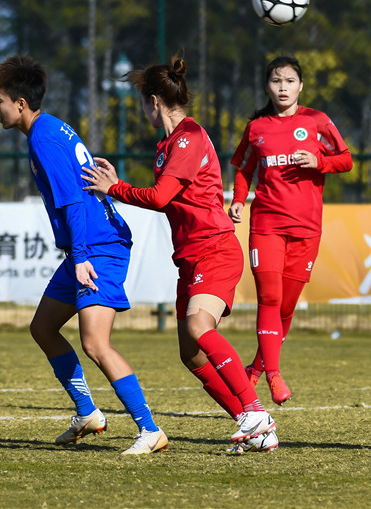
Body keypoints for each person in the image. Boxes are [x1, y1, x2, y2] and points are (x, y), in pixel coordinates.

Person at [81, 51, 278, 453]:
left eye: (143, 103)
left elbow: (159, 197)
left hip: (215, 250)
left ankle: (255, 410)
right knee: (191, 355)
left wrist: (114, 187)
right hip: (190, 258)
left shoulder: (187, 137)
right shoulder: (168, 144)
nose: (143, 111)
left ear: (154, 101)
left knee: (197, 328)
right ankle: (256, 427)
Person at [0, 54, 168, 455]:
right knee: (43, 328)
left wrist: (81, 255)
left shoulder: (44, 138)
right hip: (88, 245)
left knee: (95, 343)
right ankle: (87, 412)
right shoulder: (49, 130)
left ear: (19, 103)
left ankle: (150, 429)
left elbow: (71, 201)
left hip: (99, 247)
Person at [228, 55, 353, 405]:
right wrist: (239, 199)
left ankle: (254, 368)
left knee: (285, 307)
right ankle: (273, 374)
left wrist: (320, 162)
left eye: (289, 81)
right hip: (266, 224)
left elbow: (346, 159)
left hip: (307, 228)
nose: (283, 87)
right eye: (276, 81)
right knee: (268, 297)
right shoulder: (257, 127)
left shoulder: (317, 121)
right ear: (267, 86)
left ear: (301, 86)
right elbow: (243, 168)